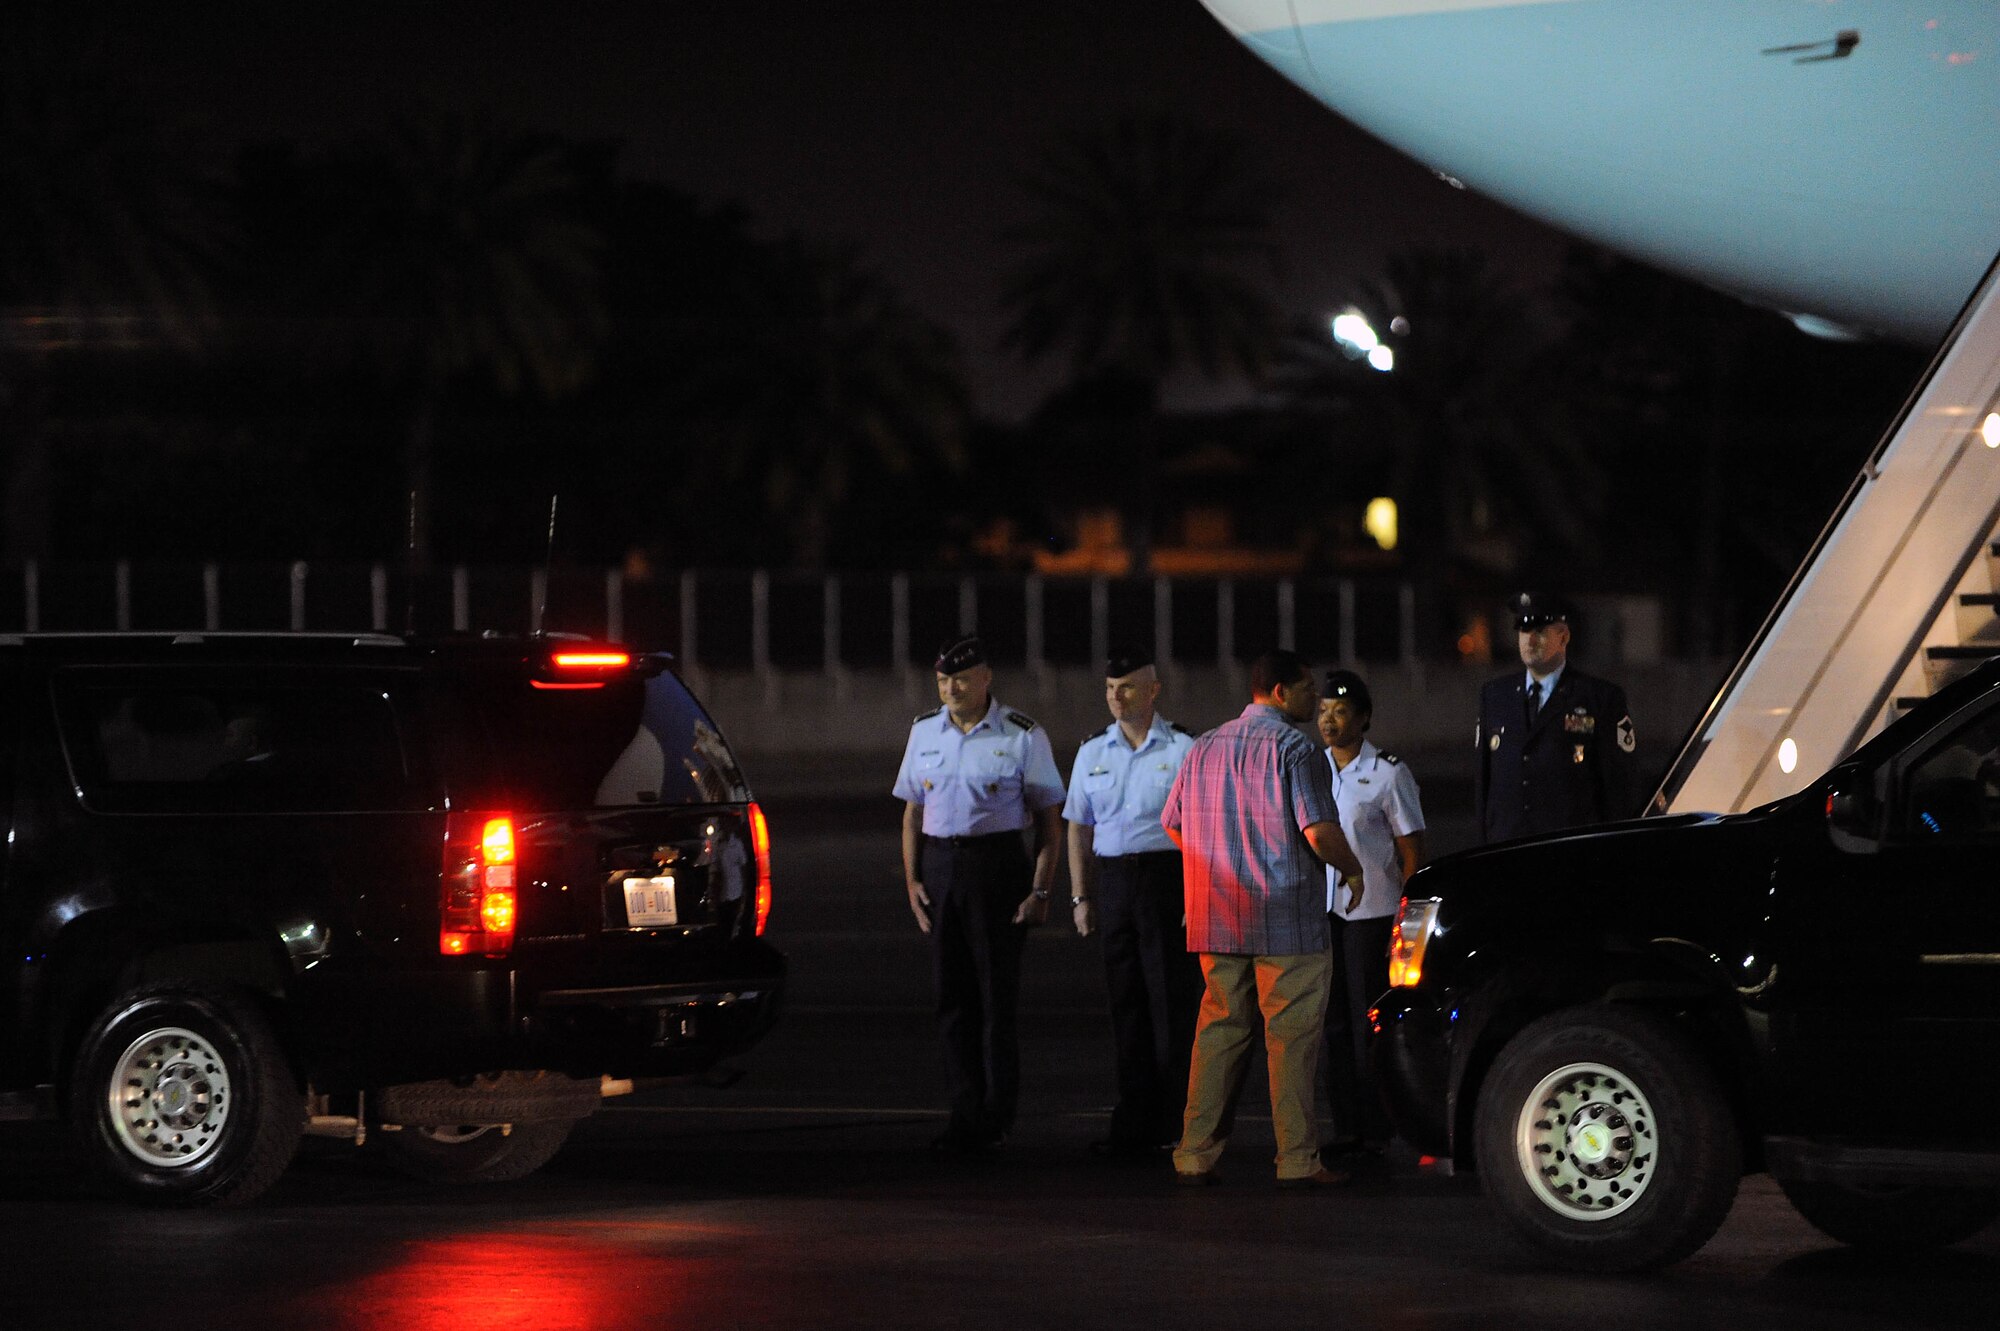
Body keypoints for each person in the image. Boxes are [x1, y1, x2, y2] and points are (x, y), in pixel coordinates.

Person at [1161, 649, 1364, 1188]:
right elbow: (1318, 832)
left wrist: (1212, 865)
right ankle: (1298, 1159)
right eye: (1306, 689)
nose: (1314, 700)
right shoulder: (1297, 749)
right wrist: (1353, 869)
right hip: (1286, 920)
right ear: (1280, 692)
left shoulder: (1202, 747)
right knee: (1292, 1041)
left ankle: (1194, 1152)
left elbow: (1173, 823)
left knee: (1218, 1036)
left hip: (1218, 919)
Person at [893, 634, 1065, 1153]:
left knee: (996, 1002)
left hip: (996, 870)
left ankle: (997, 1115)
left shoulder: (1021, 735)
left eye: (961, 679)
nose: (951, 688)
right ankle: (964, 1112)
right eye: (944, 680)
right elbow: (911, 814)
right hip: (943, 868)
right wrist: (913, 880)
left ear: (986, 678)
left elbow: (1049, 824)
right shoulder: (924, 732)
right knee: (952, 1001)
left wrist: (1040, 889)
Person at [1063, 648, 1201, 1159]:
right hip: (1116, 882)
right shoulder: (1092, 752)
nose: (1115, 697)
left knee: (1171, 1004)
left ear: (1153, 690)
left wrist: (1194, 894)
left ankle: (1176, 1120)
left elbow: (1200, 830)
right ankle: (1134, 1118)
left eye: (1126, 687)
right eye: (1109, 688)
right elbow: (1078, 826)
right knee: (1126, 1005)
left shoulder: (1185, 748)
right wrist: (1081, 896)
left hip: (1166, 880)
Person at [1316, 669, 1425, 1168]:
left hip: (1373, 913)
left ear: (1362, 718)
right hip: (1324, 914)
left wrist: (1404, 922)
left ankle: (1378, 1127)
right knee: (1333, 1024)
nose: (1328, 720)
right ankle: (1346, 1127)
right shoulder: (1310, 769)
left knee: (1369, 1024)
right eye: (1321, 711)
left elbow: (1410, 851)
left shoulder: (1387, 772)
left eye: (1339, 711)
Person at [1475, 592, 1638, 844]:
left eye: (1540, 631)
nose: (1529, 640)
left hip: (1567, 854)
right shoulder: (1495, 696)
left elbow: (1618, 789)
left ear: (1564, 637)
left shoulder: (1599, 698)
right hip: (1505, 854)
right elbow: (1485, 788)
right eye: (1523, 630)